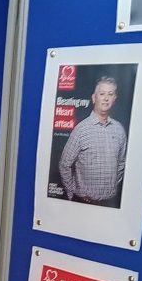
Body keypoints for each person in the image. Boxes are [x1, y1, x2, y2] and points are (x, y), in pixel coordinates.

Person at [57, 76, 128, 208]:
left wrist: (111, 187)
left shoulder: (119, 130)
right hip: (83, 203)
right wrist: (73, 193)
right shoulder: (81, 130)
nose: (106, 98)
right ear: (94, 98)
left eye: (110, 94)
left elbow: (121, 163)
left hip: (111, 204)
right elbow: (64, 164)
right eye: (102, 94)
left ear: (114, 98)